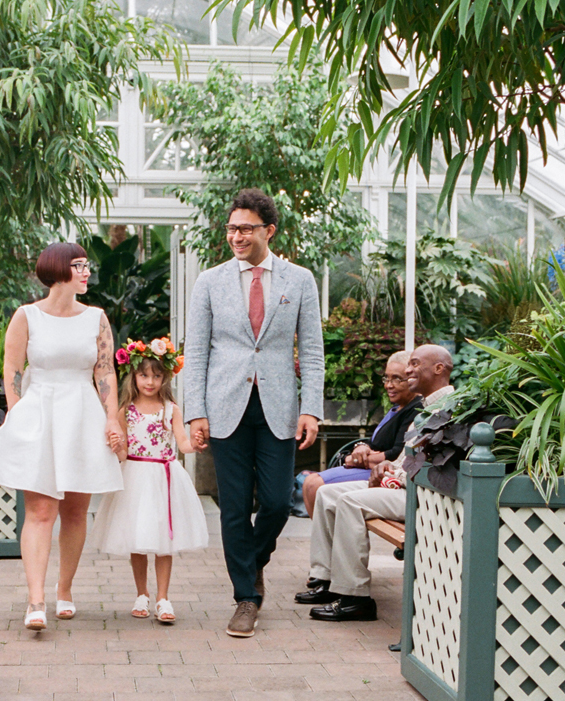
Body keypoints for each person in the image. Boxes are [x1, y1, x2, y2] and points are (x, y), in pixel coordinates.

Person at [183, 188, 325, 638]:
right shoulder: (210, 281)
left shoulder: (299, 280)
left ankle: (252, 559)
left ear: (269, 230)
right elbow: (197, 353)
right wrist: (195, 413)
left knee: (279, 503)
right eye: (231, 228)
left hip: (279, 408)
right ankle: (246, 596)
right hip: (226, 407)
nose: (236, 236)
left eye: (245, 228)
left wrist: (312, 409)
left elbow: (314, 353)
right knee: (233, 508)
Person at [0, 242, 124, 631]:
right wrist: (17, 410)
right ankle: (35, 599)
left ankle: (65, 590)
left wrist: (112, 419)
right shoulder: (26, 316)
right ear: (58, 271)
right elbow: (12, 368)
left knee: (75, 511)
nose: (86, 272)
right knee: (41, 511)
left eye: (87, 266)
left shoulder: (97, 318)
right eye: (79, 266)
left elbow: (105, 371)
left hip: (82, 415)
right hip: (40, 413)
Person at [298, 344, 454, 621]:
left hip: (421, 494)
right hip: (403, 484)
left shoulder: (449, 408)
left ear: (439, 369)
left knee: (348, 502)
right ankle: (325, 579)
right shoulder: (428, 406)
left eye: (415, 364)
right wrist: (388, 465)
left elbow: (434, 464)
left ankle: (354, 597)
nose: (408, 370)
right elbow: (411, 455)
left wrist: (394, 472)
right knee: (326, 494)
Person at [91, 338, 209, 623]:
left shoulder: (171, 409)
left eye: (157, 375)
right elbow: (123, 453)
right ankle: (142, 593)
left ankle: (163, 598)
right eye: (144, 374)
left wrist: (195, 443)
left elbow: (182, 443)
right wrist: (116, 444)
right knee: (138, 536)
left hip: (164, 479)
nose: (150, 381)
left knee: (164, 541)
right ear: (134, 375)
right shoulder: (125, 410)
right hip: (135, 478)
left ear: (165, 377)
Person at [300, 351, 423, 517]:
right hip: (368, 466)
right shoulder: (397, 407)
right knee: (309, 482)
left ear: (412, 378)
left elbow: (396, 453)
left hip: (381, 474)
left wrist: (354, 460)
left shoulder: (415, 410)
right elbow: (376, 441)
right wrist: (362, 446)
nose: (389, 385)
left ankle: (328, 540)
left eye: (397, 379)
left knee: (313, 485)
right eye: (387, 378)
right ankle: (326, 539)